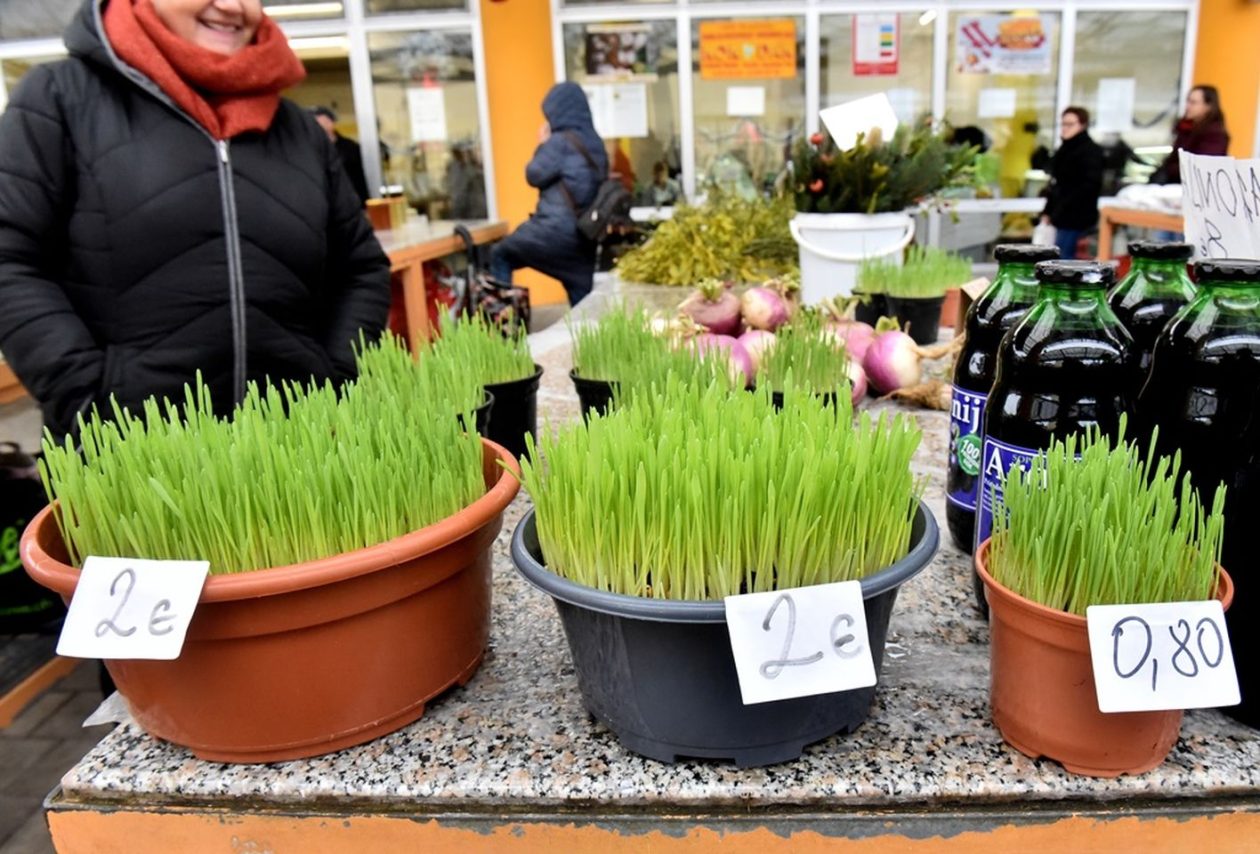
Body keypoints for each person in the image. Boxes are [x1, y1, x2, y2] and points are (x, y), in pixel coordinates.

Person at [0, 0, 391, 444]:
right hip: (128, 466)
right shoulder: (59, 99)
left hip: (298, 457)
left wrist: (335, 377)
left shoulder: (297, 131)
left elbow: (361, 267)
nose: (231, 6)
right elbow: (11, 262)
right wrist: (89, 399)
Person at [490, 82, 607, 306]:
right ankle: (589, 340)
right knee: (582, 309)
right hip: (584, 239)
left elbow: (533, 174)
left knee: (501, 255)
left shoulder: (559, 142)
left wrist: (543, 143)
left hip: (551, 233)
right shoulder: (596, 143)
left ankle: (504, 330)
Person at [1040, 107, 1104, 261]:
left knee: (1065, 260)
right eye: (1063, 124)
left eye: (1070, 124)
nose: (1065, 128)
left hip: (1076, 217)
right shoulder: (1064, 149)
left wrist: (1060, 208)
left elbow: (1088, 185)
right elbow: (1056, 184)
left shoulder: (1089, 151)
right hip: (1062, 216)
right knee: (1059, 257)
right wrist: (1048, 211)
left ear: (1082, 125)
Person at [1151, 85, 1229, 185]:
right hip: (1176, 182)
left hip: (1193, 187)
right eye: (1188, 101)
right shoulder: (1185, 128)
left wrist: (1170, 169)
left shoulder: (1215, 135)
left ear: (1208, 106)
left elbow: (1200, 166)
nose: (1188, 106)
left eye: (1193, 103)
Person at [312, 105, 370, 203]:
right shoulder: (311, 149)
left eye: (324, 122)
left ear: (332, 123)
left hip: (350, 200)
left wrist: (364, 202)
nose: (320, 127)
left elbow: (359, 178)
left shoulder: (350, 147)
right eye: (316, 124)